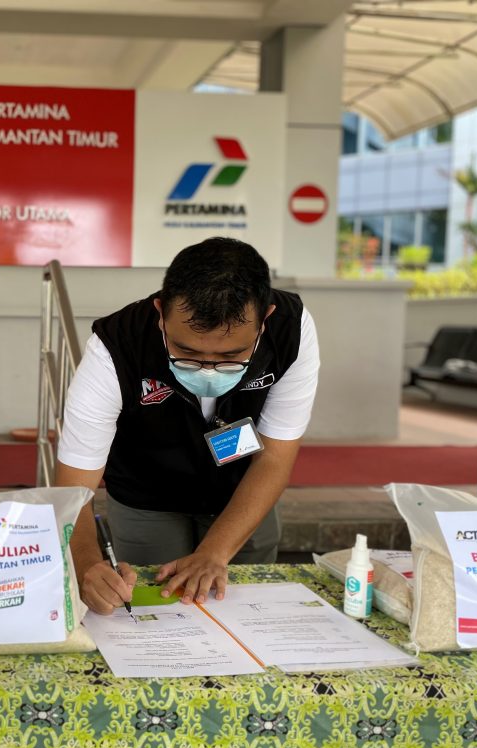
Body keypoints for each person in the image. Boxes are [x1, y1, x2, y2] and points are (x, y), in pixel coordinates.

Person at [58, 237, 319, 615]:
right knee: (155, 608)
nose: (208, 370)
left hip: (243, 485)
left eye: (230, 356)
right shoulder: (116, 346)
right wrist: (86, 564)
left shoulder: (290, 331)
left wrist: (215, 552)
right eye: (187, 352)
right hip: (146, 492)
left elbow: (275, 457)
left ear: (265, 319)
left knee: (245, 609)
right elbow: (74, 485)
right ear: (161, 314)